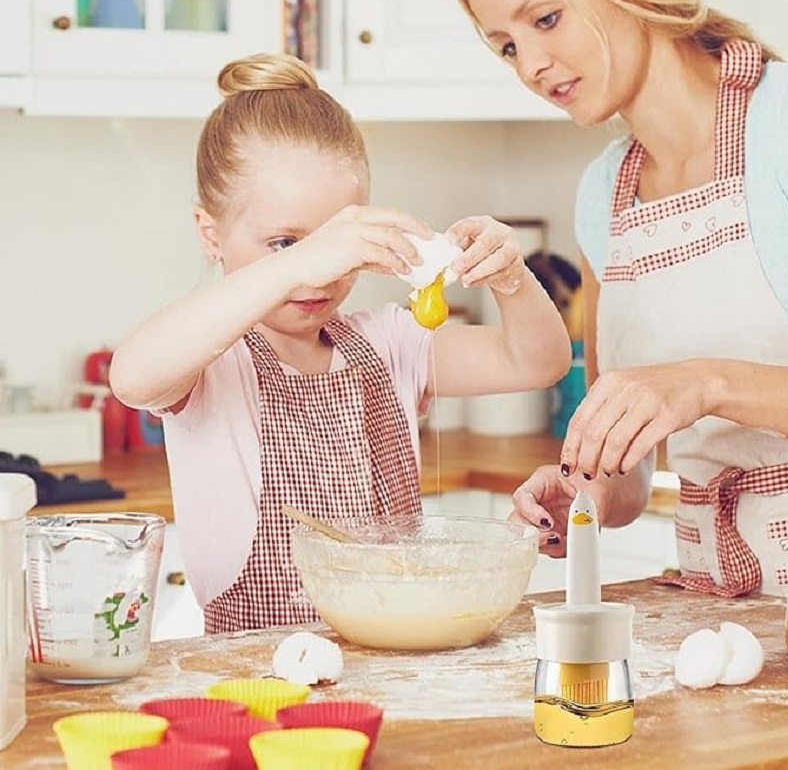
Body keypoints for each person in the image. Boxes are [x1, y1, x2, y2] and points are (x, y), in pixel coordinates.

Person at [109, 52, 571, 632]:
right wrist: (305, 259)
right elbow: (131, 376)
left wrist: (512, 277)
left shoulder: (390, 341)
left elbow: (538, 360)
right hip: (258, 668)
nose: (320, 276)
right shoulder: (212, 363)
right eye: (285, 243)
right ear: (211, 234)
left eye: (337, 245)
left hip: (394, 651)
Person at [454, 0, 788, 597]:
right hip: (720, 615)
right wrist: (582, 492)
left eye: (546, 19)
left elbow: (690, 390)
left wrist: (705, 384)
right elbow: (630, 471)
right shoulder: (601, 196)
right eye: (506, 45)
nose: (530, 65)